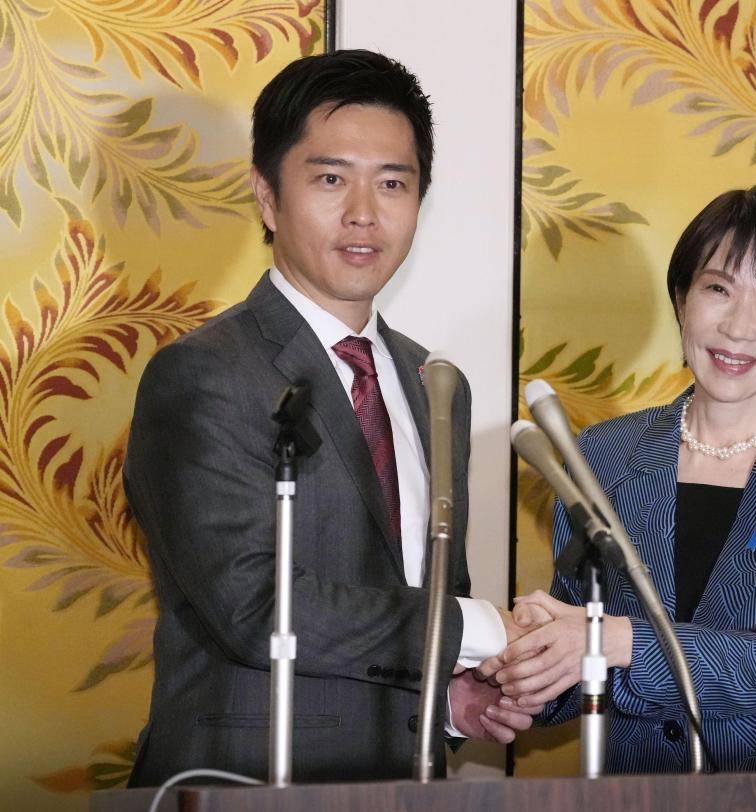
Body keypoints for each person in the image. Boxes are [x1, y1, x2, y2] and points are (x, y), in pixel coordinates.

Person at [124, 49, 539, 787]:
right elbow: (256, 607)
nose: (364, 213)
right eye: (330, 179)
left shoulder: (436, 385)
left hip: (404, 786)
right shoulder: (204, 374)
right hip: (244, 786)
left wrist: (447, 702)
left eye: (393, 183)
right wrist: (479, 629)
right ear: (267, 197)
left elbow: (411, 595)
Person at [482, 185, 756, 772]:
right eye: (718, 290)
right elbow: (581, 636)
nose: (737, 328)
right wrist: (521, 673)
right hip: (638, 790)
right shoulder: (603, 456)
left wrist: (617, 639)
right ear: (682, 298)